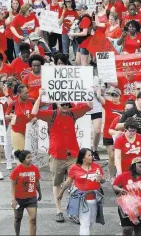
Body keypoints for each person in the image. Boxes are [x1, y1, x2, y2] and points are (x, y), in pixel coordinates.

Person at [31, 88, 93, 223]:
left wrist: (87, 91)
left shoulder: (72, 113)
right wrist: (39, 96)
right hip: (57, 155)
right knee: (57, 183)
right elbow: (34, 112)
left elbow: (89, 105)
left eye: (67, 104)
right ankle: (58, 210)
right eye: (62, 104)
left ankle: (73, 211)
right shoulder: (51, 115)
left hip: (73, 155)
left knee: (77, 181)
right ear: (57, 104)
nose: (65, 107)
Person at [58, 148, 105, 236]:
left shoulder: (97, 167)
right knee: (85, 223)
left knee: (91, 222)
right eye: (89, 155)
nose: (92, 157)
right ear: (83, 158)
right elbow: (68, 182)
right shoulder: (75, 168)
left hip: (94, 199)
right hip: (81, 199)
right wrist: (61, 193)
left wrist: (101, 179)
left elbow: (103, 181)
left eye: (92, 155)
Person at [112, 157, 141, 236]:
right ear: (134, 166)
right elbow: (114, 186)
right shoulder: (124, 175)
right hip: (127, 206)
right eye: (140, 166)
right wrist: (120, 190)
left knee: (139, 229)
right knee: (127, 228)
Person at [10, 150, 42, 236]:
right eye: (28, 157)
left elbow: (37, 182)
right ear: (23, 160)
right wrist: (13, 199)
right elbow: (13, 185)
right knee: (17, 219)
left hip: (31, 198)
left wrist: (39, 192)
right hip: (19, 199)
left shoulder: (35, 169)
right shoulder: (16, 170)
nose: (31, 159)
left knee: (33, 219)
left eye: (31, 157)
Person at [117, 91, 141, 157]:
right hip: (132, 143)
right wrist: (129, 122)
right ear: (137, 100)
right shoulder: (130, 112)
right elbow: (117, 126)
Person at [97, 85, 124, 179]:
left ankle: (120, 174)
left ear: (120, 96)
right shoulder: (107, 103)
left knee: (121, 155)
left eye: (116, 95)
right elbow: (99, 96)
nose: (114, 97)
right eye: (112, 95)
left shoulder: (124, 105)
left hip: (119, 134)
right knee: (111, 156)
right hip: (108, 134)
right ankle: (111, 176)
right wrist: (99, 86)